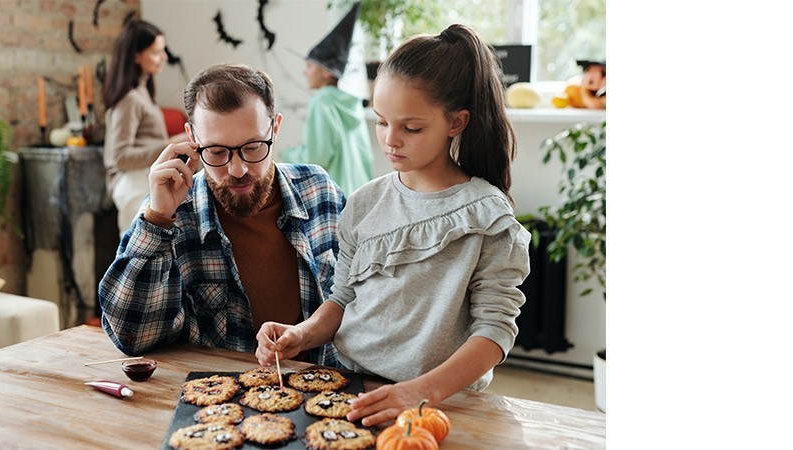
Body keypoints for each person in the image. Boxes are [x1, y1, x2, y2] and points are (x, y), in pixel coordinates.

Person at [255, 24, 532, 427]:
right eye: (381, 122)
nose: (390, 140)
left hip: (438, 403)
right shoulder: (365, 202)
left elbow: (494, 332)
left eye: (411, 127)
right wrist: (304, 333)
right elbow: (343, 297)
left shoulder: (488, 216)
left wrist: (422, 391)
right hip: (348, 388)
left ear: (456, 122)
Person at [98, 63, 348, 368]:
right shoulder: (171, 214)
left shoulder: (320, 192)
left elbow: (359, 302)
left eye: (254, 147)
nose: (237, 170)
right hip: (216, 403)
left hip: (322, 392)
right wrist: (158, 218)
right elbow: (132, 337)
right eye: (216, 152)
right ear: (192, 137)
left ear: (275, 128)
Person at [103, 19, 189, 237]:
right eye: (157, 52)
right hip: (134, 186)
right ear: (136, 56)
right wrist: (170, 144)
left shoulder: (142, 93)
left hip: (143, 182)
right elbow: (119, 157)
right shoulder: (130, 99)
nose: (164, 57)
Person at [280, 2, 374, 195]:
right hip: (360, 194)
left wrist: (288, 153)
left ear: (325, 72)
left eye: (309, 67)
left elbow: (316, 158)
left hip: (335, 197)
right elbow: (366, 158)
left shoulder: (321, 102)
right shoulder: (353, 104)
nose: (304, 73)